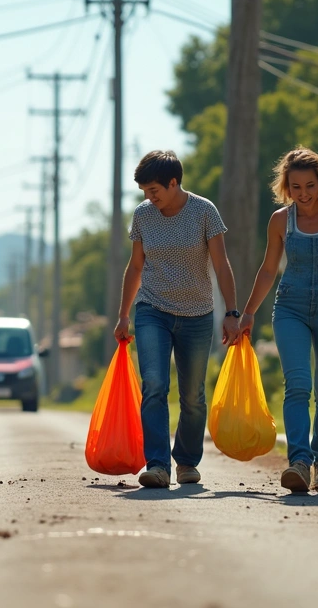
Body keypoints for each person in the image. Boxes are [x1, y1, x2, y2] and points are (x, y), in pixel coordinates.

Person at [237, 147, 318, 493]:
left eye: (310, 185)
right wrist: (248, 312)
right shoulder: (280, 220)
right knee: (297, 385)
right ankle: (299, 461)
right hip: (290, 307)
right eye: (295, 187)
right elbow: (269, 270)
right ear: (286, 186)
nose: (304, 193)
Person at [113, 150, 239, 489]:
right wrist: (123, 315)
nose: (149, 197)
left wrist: (231, 312)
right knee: (154, 384)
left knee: (193, 397)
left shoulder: (204, 211)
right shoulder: (143, 215)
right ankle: (157, 465)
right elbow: (135, 266)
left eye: (153, 190)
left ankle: (186, 461)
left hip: (197, 314)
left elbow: (221, 263)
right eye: (144, 191)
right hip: (152, 310)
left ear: (173, 183)